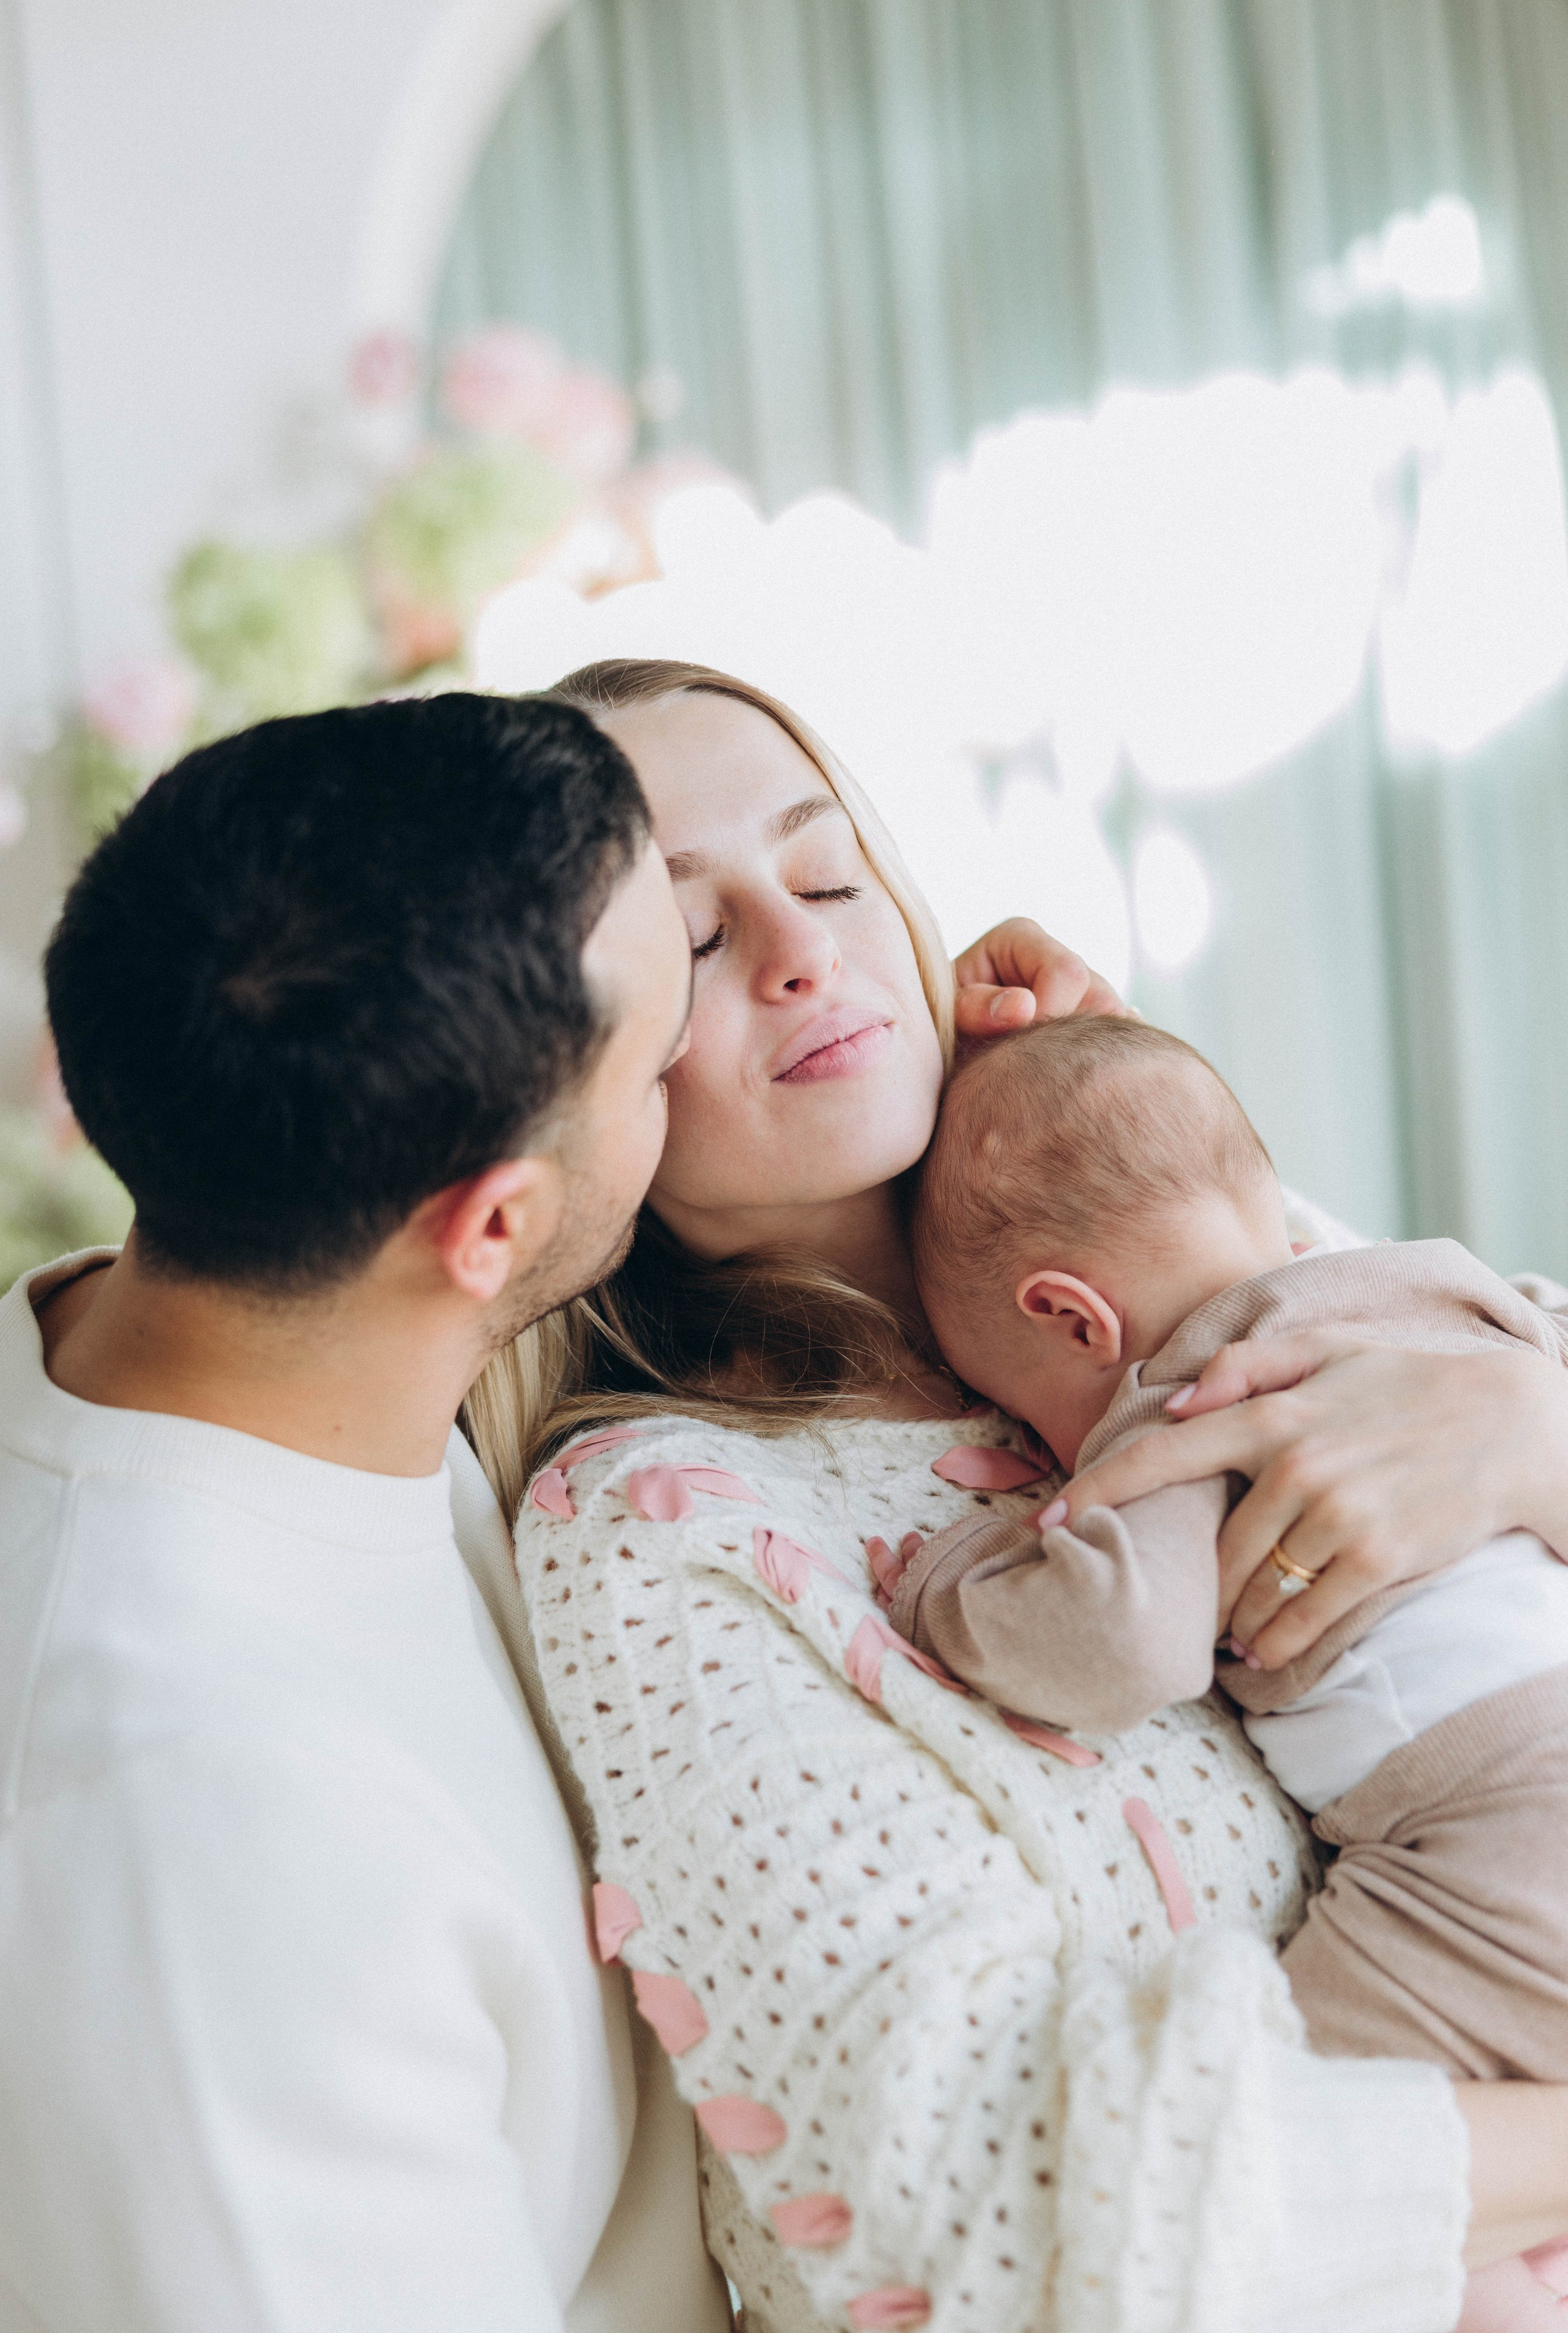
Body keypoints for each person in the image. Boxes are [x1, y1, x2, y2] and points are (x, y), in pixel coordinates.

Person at [0, 684, 1094, 2333]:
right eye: (663, 1035)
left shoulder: (257, 1344)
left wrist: (1089, 1172)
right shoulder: (192, 1845)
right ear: (495, 1226)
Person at [486, 657, 1568, 2333]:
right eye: (697, 942)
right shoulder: (660, 1528)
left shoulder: (1150, 1273)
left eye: (831, 870)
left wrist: (1529, 1428)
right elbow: (994, 2202)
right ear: (578, 1084)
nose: (805, 948)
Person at [897, 1013, 1568, 2327]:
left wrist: (958, 1573)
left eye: (1027, 1409)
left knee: (1313, 2149)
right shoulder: (1433, 1280)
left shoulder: (1187, 1397)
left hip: (1495, 1831)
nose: (1051, 1448)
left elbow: (1122, 1643)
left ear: (1068, 1316)